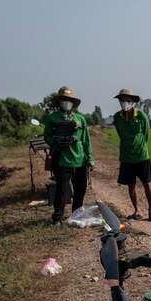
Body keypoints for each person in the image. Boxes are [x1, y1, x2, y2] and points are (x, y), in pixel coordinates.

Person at [43, 86, 94, 226]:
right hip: (62, 160)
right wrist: (56, 142)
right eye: (64, 99)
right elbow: (47, 135)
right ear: (59, 101)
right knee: (62, 189)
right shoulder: (52, 118)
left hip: (80, 160)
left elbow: (86, 140)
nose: (66, 102)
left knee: (81, 189)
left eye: (69, 99)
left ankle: (76, 216)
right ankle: (57, 218)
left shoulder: (80, 119)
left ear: (73, 102)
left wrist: (90, 159)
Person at [113, 89, 151, 221]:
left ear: (133, 102)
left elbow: (146, 134)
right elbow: (120, 134)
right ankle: (136, 211)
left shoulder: (141, 116)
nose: (124, 102)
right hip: (126, 158)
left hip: (141, 156)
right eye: (122, 100)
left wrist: (140, 145)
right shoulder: (117, 117)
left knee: (147, 183)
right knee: (130, 185)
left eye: (127, 100)